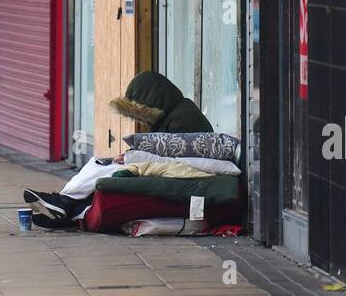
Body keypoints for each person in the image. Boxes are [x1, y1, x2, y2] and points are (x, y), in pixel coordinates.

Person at [24, 71, 211, 228]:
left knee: (107, 168)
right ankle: (64, 204)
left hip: (174, 171)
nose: (142, 121)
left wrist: (133, 159)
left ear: (155, 100)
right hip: (159, 167)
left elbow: (179, 158)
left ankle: (63, 204)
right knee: (97, 162)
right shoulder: (171, 115)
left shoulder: (185, 118)